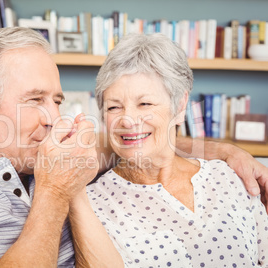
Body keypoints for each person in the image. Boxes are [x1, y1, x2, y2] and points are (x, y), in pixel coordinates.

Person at [0, 27, 268, 267]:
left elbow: (132, 138)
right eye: (34, 99)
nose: (52, 117)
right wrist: (55, 192)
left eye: (56, 101)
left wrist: (221, 151)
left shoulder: (33, 156)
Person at [87, 33, 268, 267]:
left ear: (180, 106)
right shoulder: (94, 203)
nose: (128, 120)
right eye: (114, 107)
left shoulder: (230, 178)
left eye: (145, 104)